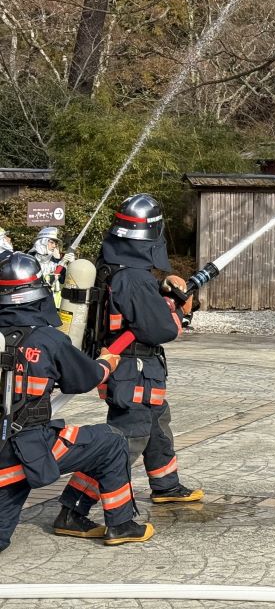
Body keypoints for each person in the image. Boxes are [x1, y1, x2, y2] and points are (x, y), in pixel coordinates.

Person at [59, 193, 202, 512]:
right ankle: (75, 505)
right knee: (123, 441)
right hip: (132, 371)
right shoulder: (134, 278)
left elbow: (135, 313)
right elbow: (160, 329)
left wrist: (164, 294)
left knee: (156, 428)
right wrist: (181, 311)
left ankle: (167, 486)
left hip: (134, 371)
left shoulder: (116, 267)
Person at [0, 251, 153, 549]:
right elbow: (85, 378)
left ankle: (73, 517)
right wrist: (107, 362)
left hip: (5, 453)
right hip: (25, 451)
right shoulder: (46, 339)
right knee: (110, 441)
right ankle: (120, 524)